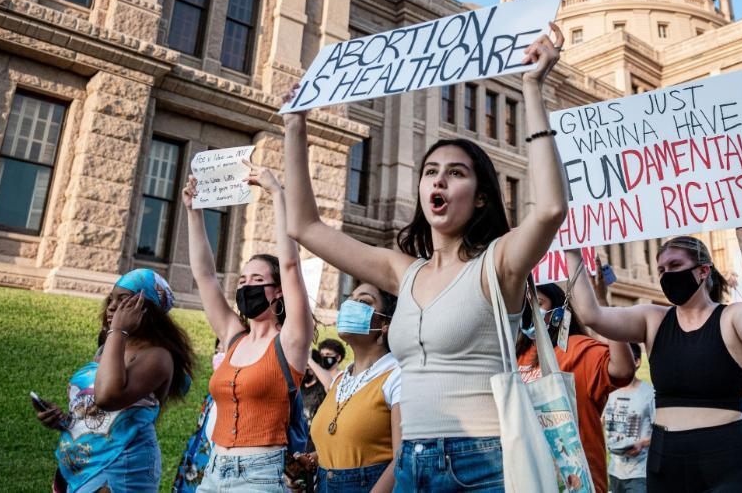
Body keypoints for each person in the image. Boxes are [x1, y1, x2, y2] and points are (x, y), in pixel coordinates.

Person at [283, 25, 568, 492]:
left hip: (482, 460)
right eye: (431, 172)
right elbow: (305, 227)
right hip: (412, 461)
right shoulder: (403, 270)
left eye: (455, 173)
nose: (439, 180)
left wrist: (533, 89)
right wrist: (296, 127)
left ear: (479, 197)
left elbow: (552, 209)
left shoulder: (498, 264)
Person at [565, 218, 742, 492]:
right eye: (662, 269)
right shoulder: (653, 318)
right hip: (667, 455)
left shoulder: (730, 316)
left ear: (702, 271)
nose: (667, 275)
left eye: (675, 266)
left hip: (725, 453)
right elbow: (592, 315)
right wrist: (571, 247)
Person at [183, 162, 316, 493]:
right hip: (213, 470)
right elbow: (205, 276)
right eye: (242, 281)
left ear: (278, 290)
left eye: (258, 280)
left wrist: (277, 194)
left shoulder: (291, 341)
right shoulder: (233, 337)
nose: (247, 287)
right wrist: (193, 212)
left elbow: (289, 264)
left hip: (262, 476)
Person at [35, 269, 195, 493]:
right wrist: (65, 421)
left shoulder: (158, 357)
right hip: (82, 464)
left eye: (124, 300)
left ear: (147, 309)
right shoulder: (107, 349)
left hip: (121, 467)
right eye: (111, 299)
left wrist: (118, 330)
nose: (111, 306)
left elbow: (108, 397)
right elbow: (100, 413)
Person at [515, 262, 636, 493]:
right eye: (525, 305)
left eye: (538, 303)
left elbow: (623, 370)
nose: (531, 311)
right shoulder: (518, 357)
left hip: (579, 482)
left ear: (559, 309)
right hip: (530, 479)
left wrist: (603, 306)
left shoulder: (577, 348)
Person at [308, 283, 401, 492]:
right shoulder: (341, 379)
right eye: (350, 299)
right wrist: (312, 461)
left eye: (364, 302)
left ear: (385, 323)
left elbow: (403, 458)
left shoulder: (397, 376)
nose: (350, 306)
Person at [172, 339, 230, 492]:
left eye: (224, 351)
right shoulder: (212, 395)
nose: (218, 356)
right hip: (198, 459)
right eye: (217, 351)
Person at [602, 343, 655, 493]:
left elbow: (662, 431)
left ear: (637, 362)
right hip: (614, 471)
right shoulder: (610, 391)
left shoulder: (649, 393)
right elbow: (599, 421)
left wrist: (642, 443)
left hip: (639, 474)